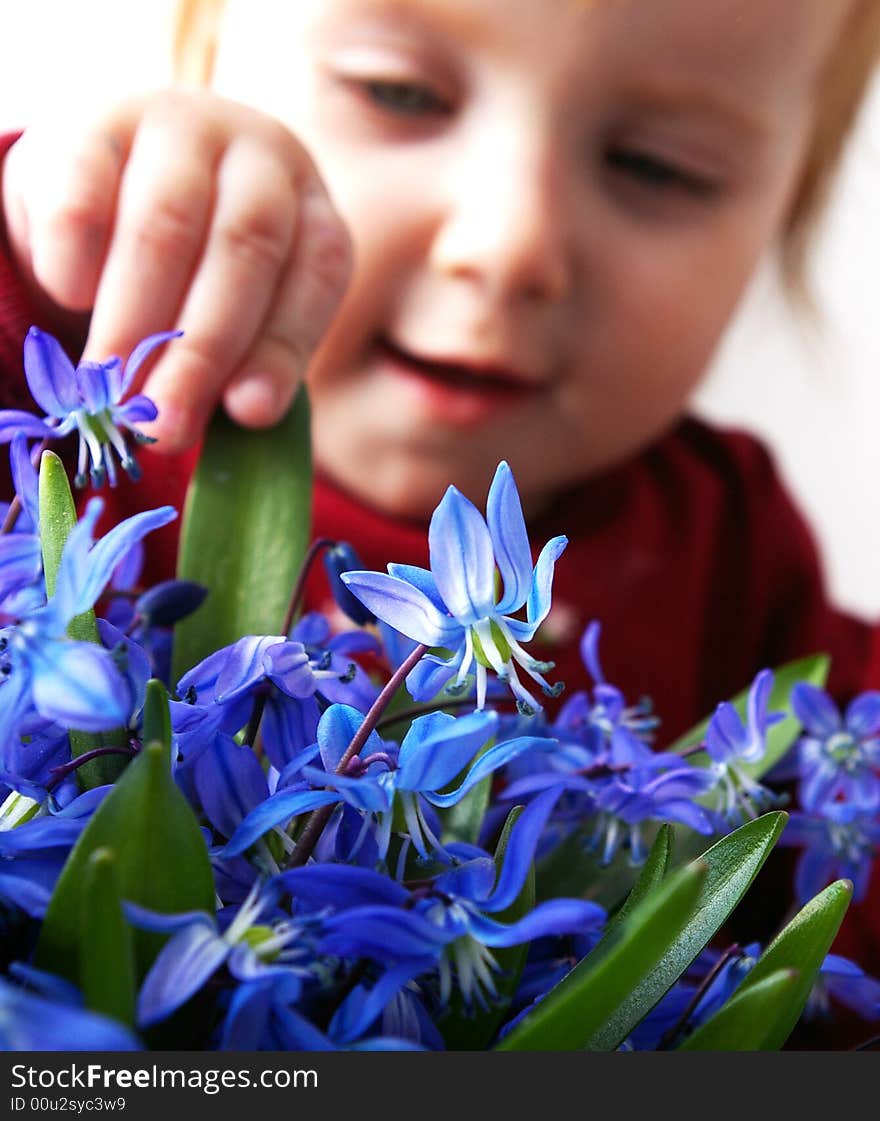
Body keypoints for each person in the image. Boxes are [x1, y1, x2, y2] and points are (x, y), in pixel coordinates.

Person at [1, 0, 880, 1010]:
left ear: (784, 217)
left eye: (657, 166)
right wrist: (43, 272)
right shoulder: (83, 440)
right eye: (397, 92)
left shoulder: (728, 541)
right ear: (202, 72)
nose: (508, 246)